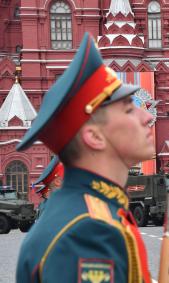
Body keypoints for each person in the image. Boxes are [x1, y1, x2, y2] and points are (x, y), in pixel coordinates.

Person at [16, 33, 154, 283]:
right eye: (128, 109)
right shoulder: (88, 231)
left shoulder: (88, 213)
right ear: (94, 137)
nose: (147, 117)